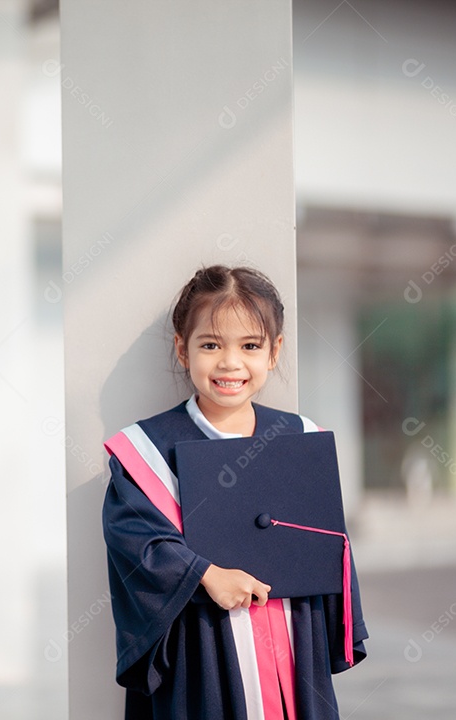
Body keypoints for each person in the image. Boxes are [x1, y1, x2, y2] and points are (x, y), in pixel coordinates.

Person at [101, 265, 368, 720]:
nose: (230, 363)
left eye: (249, 346)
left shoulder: (299, 438)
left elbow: (328, 545)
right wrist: (206, 575)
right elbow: (137, 543)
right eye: (210, 345)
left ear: (274, 351)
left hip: (290, 638)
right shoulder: (146, 450)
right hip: (200, 646)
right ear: (182, 350)